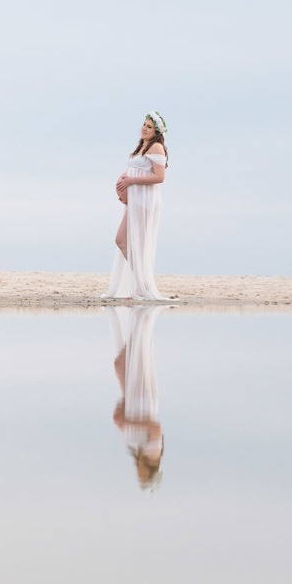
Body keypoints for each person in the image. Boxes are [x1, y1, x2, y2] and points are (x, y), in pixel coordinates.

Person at [102, 112, 176, 301]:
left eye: (149, 127)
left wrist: (130, 182)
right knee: (126, 241)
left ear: (157, 132)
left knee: (128, 242)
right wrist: (123, 193)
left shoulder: (157, 147)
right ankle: (141, 286)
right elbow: (132, 170)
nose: (144, 128)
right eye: (144, 125)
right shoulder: (142, 146)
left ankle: (144, 287)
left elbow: (159, 177)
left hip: (145, 200)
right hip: (136, 199)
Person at [107, 304, 168, 491]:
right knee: (132, 357)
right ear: (149, 470)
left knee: (123, 362)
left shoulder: (138, 453)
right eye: (142, 476)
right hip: (143, 402)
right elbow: (155, 428)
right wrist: (127, 424)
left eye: (139, 476)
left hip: (132, 403)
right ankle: (142, 319)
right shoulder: (153, 453)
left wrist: (122, 416)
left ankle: (139, 320)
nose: (138, 474)